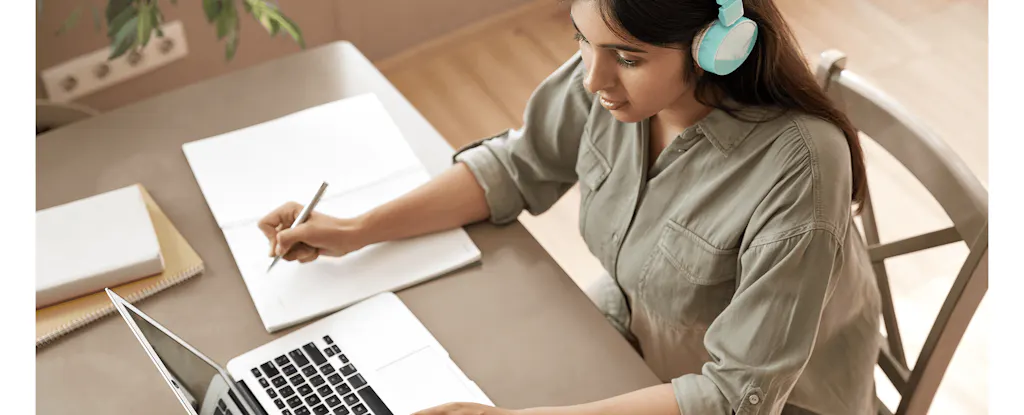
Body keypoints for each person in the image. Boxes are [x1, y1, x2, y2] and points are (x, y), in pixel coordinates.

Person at [258, 0, 882, 413]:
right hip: (641, 334)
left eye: (628, 58)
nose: (593, 78)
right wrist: (357, 228)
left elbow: (734, 394)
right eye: (582, 40)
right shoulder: (616, 81)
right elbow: (517, 166)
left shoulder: (800, 167)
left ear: (717, 48)